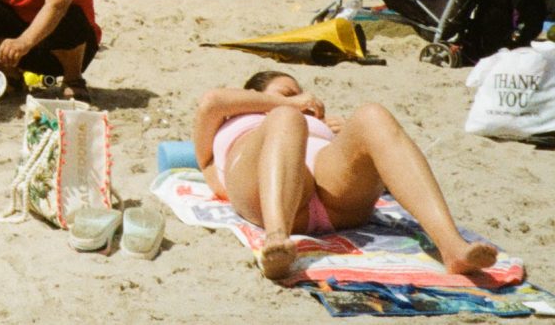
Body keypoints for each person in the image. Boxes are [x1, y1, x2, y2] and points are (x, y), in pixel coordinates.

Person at [195, 70, 502, 282]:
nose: (307, 98)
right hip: (265, 193)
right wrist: (289, 105)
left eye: (302, 94)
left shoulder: (317, 122)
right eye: (289, 90)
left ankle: (452, 246)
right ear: (251, 94)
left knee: (372, 114)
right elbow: (212, 101)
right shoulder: (235, 119)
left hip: (337, 200)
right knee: (286, 119)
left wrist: (339, 135)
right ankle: (277, 241)